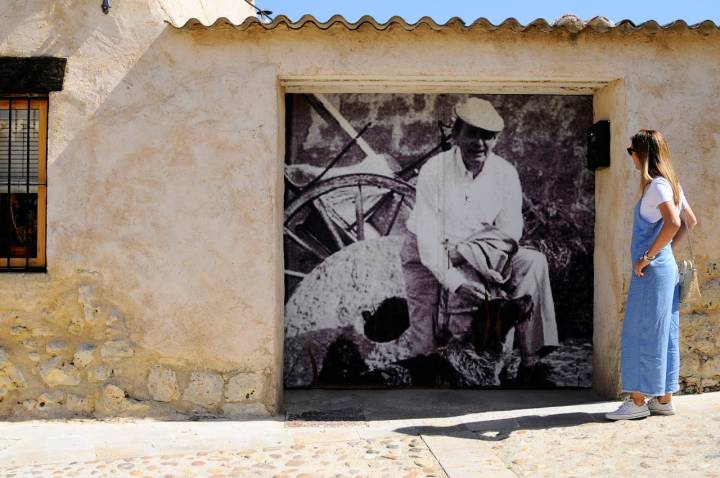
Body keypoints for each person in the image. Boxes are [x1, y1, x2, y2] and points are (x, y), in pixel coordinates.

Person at [399, 97, 560, 382]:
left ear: (496, 140)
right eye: (472, 134)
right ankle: (432, 379)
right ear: (456, 135)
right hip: (430, 251)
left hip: (483, 251)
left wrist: (479, 259)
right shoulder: (435, 171)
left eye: (487, 136)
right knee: (423, 348)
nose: (479, 144)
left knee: (533, 262)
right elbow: (426, 236)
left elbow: (511, 232)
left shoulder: (505, 173)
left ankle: (530, 364)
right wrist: (456, 281)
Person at [606, 129, 698, 420]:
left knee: (639, 331)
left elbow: (673, 222)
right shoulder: (673, 184)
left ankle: (636, 402)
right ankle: (663, 398)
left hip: (651, 271)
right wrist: (666, 251)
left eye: (631, 151)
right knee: (665, 332)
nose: (630, 156)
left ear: (642, 154)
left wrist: (648, 256)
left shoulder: (657, 186)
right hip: (665, 268)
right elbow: (690, 222)